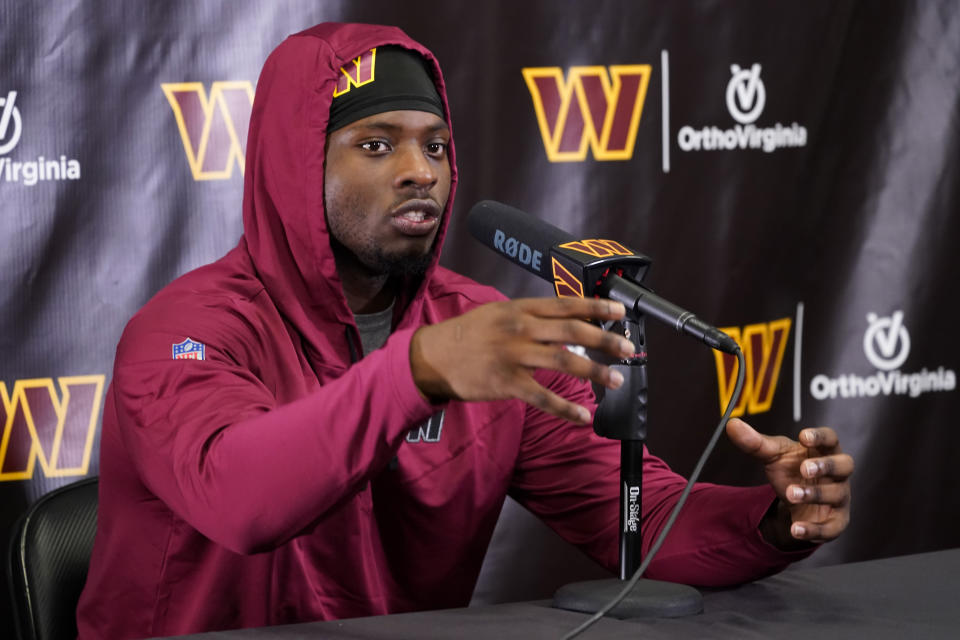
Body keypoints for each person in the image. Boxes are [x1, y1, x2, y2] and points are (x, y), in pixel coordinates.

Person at [76, 22, 853, 639]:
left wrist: (772, 522)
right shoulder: (187, 331)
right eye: (376, 145)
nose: (422, 171)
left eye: (436, 145)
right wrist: (414, 374)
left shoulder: (474, 328)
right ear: (294, 164)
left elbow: (642, 520)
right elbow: (239, 497)